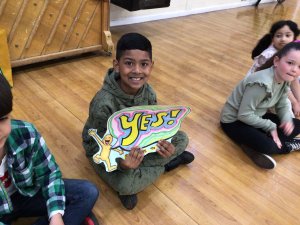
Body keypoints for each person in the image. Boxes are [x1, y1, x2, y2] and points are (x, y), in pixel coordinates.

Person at [82, 33, 194, 210]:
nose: (137, 71)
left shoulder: (148, 92)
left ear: (151, 66)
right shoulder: (103, 104)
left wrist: (164, 145)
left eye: (144, 64)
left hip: (139, 144)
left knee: (182, 138)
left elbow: (155, 128)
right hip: (106, 149)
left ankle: (157, 164)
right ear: (117, 66)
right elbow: (99, 146)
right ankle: (166, 165)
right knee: (125, 185)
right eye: (129, 63)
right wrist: (122, 164)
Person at [0, 73, 99, 225]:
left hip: (24, 194)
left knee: (87, 192)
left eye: (2, 119)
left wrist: (56, 216)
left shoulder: (26, 133)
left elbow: (49, 174)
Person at [220, 42, 300, 170]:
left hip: (257, 116)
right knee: (268, 146)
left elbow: (283, 102)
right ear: (276, 61)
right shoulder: (261, 83)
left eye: (299, 66)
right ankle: (287, 146)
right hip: (234, 121)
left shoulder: (285, 79)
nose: (294, 69)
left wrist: (286, 119)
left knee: (296, 125)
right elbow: (244, 115)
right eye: (290, 63)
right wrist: (271, 126)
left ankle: (252, 144)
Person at [248, 20, 300, 116]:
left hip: (278, 81)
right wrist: (294, 102)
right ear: (273, 38)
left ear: (294, 38)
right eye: (278, 36)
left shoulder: (293, 52)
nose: (283, 39)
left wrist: (298, 101)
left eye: (287, 35)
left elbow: (294, 79)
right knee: (286, 109)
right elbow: (281, 86)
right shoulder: (269, 55)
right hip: (262, 86)